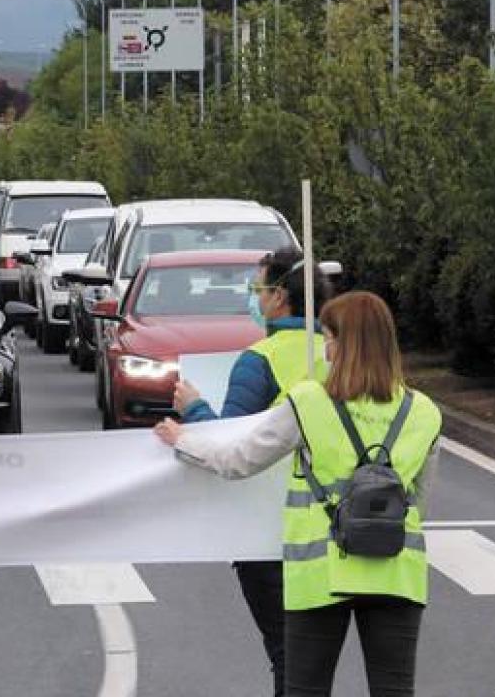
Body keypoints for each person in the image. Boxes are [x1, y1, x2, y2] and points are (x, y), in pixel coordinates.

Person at [157, 291, 442, 697]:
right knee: (394, 689)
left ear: (344, 345)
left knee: (306, 689)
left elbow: (240, 459)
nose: (324, 346)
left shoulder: (309, 402)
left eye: (328, 337)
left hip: (319, 571)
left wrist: (184, 438)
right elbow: (420, 500)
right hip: (396, 569)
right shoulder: (425, 412)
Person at [171, 245, 333, 695]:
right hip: (339, 528)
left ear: (280, 297)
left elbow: (230, 445)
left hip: (270, 530)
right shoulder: (340, 354)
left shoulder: (260, 359)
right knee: (318, 657)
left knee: (287, 655)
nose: (253, 298)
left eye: (257, 288)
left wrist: (194, 408)